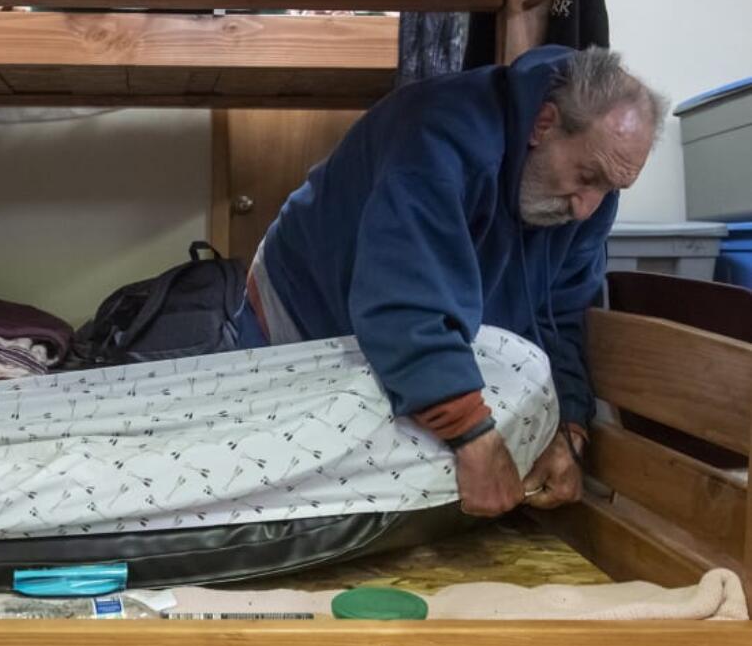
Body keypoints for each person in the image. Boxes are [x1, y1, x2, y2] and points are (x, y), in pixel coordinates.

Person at [237, 45, 665, 517]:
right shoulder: (437, 134)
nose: (587, 207)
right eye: (587, 176)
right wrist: (474, 438)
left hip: (418, 316)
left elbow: (560, 319)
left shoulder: (592, 199)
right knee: (288, 485)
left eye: (608, 188)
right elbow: (403, 305)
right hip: (310, 299)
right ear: (543, 124)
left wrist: (567, 431)